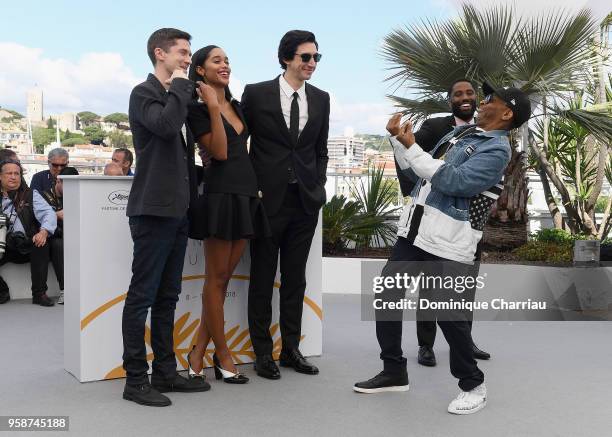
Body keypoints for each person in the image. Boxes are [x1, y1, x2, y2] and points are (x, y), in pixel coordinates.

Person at [354, 82, 531, 415]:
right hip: (415, 234)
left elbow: (456, 182)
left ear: (507, 113)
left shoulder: (496, 149)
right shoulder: (462, 137)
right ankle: (394, 370)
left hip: (448, 242)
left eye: (491, 98)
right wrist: (398, 140)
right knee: (386, 296)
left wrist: (413, 147)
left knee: (448, 314)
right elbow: (418, 176)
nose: (482, 100)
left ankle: (473, 384)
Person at [121, 27, 208, 408]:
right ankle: (136, 380)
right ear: (160, 53)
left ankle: (166, 373)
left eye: (188, 54)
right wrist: (181, 89)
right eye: (183, 53)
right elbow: (166, 126)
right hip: (152, 211)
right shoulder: (145, 93)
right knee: (142, 297)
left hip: (177, 210)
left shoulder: (177, 95)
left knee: (168, 296)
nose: (188, 59)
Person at [241, 30, 329, 379]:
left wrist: (318, 186)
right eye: (305, 57)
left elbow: (319, 148)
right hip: (267, 200)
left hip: (305, 201)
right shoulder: (256, 93)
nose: (311, 64)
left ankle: (291, 348)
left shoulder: (321, 98)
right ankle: (263, 352)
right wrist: (252, 188)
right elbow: (240, 141)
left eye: (316, 58)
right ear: (286, 59)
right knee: (262, 277)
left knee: (296, 279)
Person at [186, 45, 270, 385]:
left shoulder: (236, 105)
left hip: (246, 193)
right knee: (215, 279)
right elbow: (219, 151)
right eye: (217, 61)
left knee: (222, 281)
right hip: (220, 195)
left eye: (227, 61)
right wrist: (211, 104)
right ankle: (223, 357)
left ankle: (196, 352)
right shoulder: (196, 109)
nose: (225, 65)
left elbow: (242, 150)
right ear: (201, 70)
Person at [395, 79, 490, 367]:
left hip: (469, 220)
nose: (464, 97)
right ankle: (426, 345)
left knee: (464, 285)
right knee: (429, 284)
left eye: (469, 93)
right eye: (458, 93)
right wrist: (412, 194)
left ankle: (465, 341)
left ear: (476, 98)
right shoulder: (435, 127)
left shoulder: (488, 130)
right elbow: (409, 157)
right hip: (434, 219)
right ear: (449, 100)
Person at [0, 159, 58, 306]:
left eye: (17, 174)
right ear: (0, 176)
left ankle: (39, 294)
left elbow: (48, 214)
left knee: (41, 245)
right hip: (3, 244)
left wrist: (44, 232)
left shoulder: (30, 194)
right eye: (9, 173)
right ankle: (2, 291)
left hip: (27, 242)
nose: (13, 177)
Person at [40, 166, 78, 304]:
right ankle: (64, 290)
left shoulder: (77, 196)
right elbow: (39, 221)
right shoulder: (44, 196)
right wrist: (56, 215)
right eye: (68, 185)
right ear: (58, 181)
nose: (71, 189)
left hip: (75, 235)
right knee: (57, 244)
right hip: (53, 237)